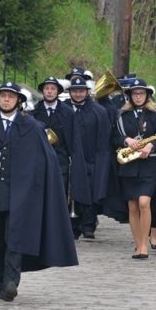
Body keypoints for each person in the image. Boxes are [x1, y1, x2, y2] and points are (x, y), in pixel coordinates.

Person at [0, 82, 78, 301]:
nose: (6, 100)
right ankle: (0, 283)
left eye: (11, 96)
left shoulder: (32, 126)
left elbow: (44, 160)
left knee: (14, 237)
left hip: (20, 193)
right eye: (3, 96)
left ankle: (11, 282)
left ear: (18, 100)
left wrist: (35, 187)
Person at [110, 79, 156, 258]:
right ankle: (138, 244)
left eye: (141, 93)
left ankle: (145, 245)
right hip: (130, 165)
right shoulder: (121, 115)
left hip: (150, 165)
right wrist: (126, 140)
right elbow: (114, 137)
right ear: (130, 96)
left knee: (144, 202)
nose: (138, 96)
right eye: (135, 93)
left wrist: (151, 145)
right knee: (132, 206)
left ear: (147, 95)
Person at [32, 76, 91, 237]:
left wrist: (76, 160)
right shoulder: (35, 112)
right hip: (40, 160)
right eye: (47, 88)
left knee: (60, 194)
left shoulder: (67, 112)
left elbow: (73, 138)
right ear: (43, 91)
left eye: (53, 89)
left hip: (61, 159)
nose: (50, 92)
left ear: (58, 91)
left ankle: (58, 228)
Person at [64, 77, 111, 239]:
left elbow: (104, 137)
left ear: (87, 92)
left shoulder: (99, 111)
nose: (78, 94)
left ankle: (88, 225)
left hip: (92, 158)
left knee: (91, 192)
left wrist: (101, 160)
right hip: (72, 158)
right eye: (74, 91)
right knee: (72, 191)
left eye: (81, 91)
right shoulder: (64, 110)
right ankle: (72, 226)